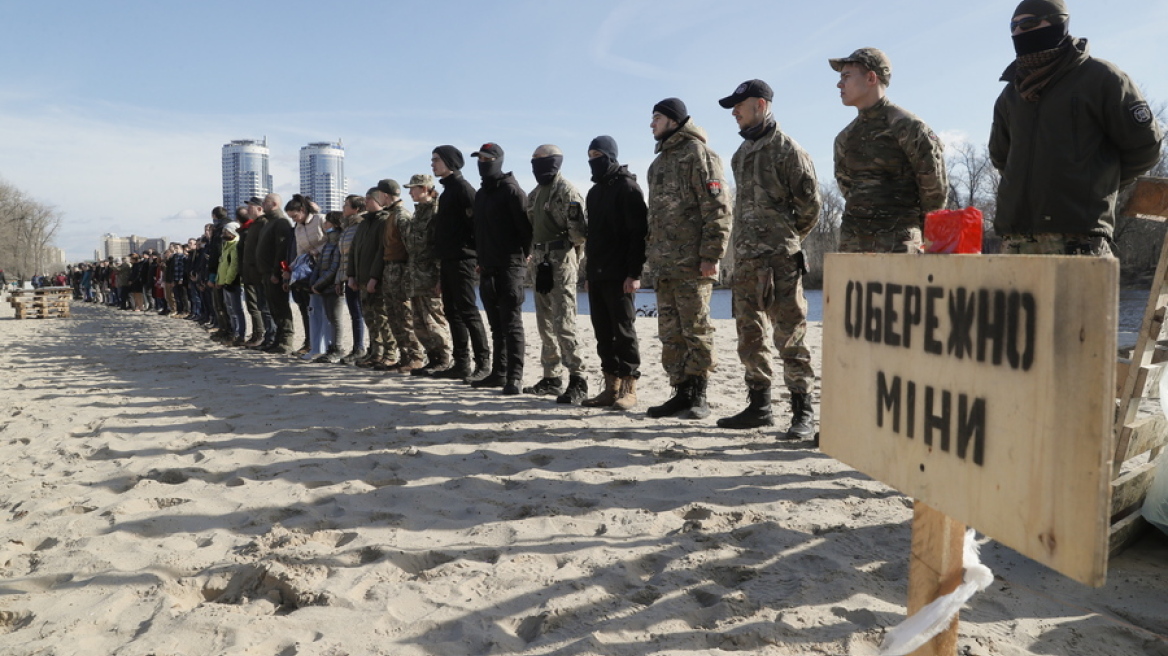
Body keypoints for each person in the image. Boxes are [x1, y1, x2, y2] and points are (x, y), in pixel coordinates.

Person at [991, 0, 1163, 256]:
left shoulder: (1101, 78)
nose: (1018, 32)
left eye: (1028, 24)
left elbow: (1145, 147)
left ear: (1058, 22)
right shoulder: (1011, 94)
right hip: (1016, 237)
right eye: (1013, 26)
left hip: (1079, 238)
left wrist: (1096, 187)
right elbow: (1002, 156)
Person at [714, 79, 821, 440]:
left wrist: (783, 242)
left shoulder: (787, 150)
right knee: (749, 335)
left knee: (790, 335)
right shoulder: (740, 154)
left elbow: (810, 208)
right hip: (745, 261)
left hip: (779, 260)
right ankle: (759, 406)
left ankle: (801, 411)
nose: (734, 112)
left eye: (739, 105)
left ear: (760, 104)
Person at [644, 98, 732, 419]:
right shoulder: (657, 166)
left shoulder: (699, 155)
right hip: (664, 265)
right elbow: (654, 218)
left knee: (696, 328)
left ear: (673, 120)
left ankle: (699, 394)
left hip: (693, 263)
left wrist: (712, 254)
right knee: (670, 331)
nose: (651, 124)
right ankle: (680, 391)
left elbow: (718, 208)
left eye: (656, 118)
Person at [830, 47, 948, 253]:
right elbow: (847, 188)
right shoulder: (845, 137)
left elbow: (934, 192)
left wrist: (925, 239)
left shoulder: (908, 127)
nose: (839, 84)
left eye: (846, 76)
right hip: (853, 246)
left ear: (871, 78)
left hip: (899, 245)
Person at [580, 136, 648, 411]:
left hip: (621, 274)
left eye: (597, 154)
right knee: (602, 332)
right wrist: (587, 273)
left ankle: (630, 386)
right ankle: (611, 386)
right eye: (589, 154)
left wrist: (634, 273)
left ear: (609, 155)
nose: (592, 159)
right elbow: (592, 238)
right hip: (597, 273)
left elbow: (638, 235)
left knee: (623, 331)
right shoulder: (594, 193)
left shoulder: (628, 187)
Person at [524, 144, 589, 404]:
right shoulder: (535, 194)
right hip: (540, 261)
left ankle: (578, 378)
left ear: (553, 162)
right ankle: (551, 376)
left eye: (540, 159)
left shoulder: (567, 191)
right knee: (544, 323)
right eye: (533, 159)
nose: (535, 164)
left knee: (564, 322)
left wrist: (566, 256)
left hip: (561, 259)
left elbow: (578, 233)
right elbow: (531, 225)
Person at [471, 142, 532, 395]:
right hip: (486, 267)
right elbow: (479, 232)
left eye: (486, 159)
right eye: (479, 158)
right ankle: (498, 373)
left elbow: (526, 229)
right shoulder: (481, 194)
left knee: (512, 323)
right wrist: (480, 260)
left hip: (510, 266)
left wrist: (524, 256)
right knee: (495, 325)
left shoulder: (512, 190)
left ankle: (514, 377)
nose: (482, 163)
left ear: (497, 160)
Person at [430, 145, 491, 382]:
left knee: (468, 312)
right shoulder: (446, 193)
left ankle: (483, 364)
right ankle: (462, 363)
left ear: (449, 162)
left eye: (436, 160)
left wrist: (478, 255)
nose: (432, 164)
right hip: (448, 260)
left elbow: (479, 225)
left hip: (464, 260)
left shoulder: (464, 189)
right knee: (452, 312)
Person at [402, 174, 453, 376]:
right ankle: (432, 358)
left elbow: (439, 247)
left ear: (424, 188)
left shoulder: (436, 212)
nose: (410, 192)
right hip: (415, 276)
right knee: (419, 323)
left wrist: (441, 278)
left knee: (434, 321)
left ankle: (444, 359)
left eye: (413, 188)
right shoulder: (418, 213)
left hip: (430, 275)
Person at [377, 178, 426, 373]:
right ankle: (404, 356)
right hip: (390, 269)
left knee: (404, 315)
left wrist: (408, 274)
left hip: (400, 270)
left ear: (385, 195)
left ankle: (415, 356)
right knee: (393, 315)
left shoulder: (401, 216)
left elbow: (410, 247)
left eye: (379, 194)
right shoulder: (390, 215)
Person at [348, 186, 392, 369]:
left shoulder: (385, 221)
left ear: (378, 200)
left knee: (382, 317)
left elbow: (381, 252)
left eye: (368, 199)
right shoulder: (364, 222)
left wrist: (374, 276)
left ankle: (389, 353)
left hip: (376, 280)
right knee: (369, 318)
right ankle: (375, 352)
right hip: (361, 278)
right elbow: (354, 250)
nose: (365, 202)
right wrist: (351, 275)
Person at [255, 193, 296, 354]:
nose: (262, 205)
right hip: (266, 273)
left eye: (265, 202)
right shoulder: (269, 222)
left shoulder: (281, 222)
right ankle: (277, 340)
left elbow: (281, 249)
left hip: (275, 274)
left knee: (280, 307)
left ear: (273, 204)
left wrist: (276, 272)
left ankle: (286, 341)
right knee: (273, 308)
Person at [288, 194, 328, 358]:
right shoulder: (298, 228)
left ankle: (326, 347)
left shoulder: (320, 220)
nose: (294, 220)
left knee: (327, 311)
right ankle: (315, 346)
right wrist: (291, 270)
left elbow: (333, 240)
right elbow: (300, 253)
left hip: (326, 268)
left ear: (303, 210)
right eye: (291, 218)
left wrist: (318, 251)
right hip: (311, 272)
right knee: (313, 309)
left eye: (295, 216)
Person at [310, 211, 346, 363]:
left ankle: (337, 348)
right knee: (330, 317)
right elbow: (320, 265)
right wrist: (315, 282)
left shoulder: (338, 242)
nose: (324, 225)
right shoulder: (328, 243)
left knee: (336, 318)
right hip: (325, 287)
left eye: (327, 222)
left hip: (333, 286)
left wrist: (319, 284)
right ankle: (331, 347)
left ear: (335, 224)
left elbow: (334, 267)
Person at [336, 195, 367, 364]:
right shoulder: (347, 227)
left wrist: (353, 276)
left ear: (356, 209)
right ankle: (357, 347)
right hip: (348, 276)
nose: (343, 208)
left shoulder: (360, 226)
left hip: (357, 277)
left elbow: (357, 255)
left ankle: (360, 348)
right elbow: (343, 258)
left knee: (359, 313)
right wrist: (340, 279)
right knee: (354, 313)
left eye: (346, 205)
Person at [240, 198, 274, 349]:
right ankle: (265, 336)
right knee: (259, 306)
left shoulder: (264, 224)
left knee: (265, 308)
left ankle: (269, 337)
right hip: (251, 274)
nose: (248, 211)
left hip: (261, 273)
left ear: (260, 209)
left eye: (251, 207)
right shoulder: (255, 225)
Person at [216, 221, 247, 345]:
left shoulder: (235, 245)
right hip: (225, 283)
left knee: (237, 310)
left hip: (234, 284)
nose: (224, 234)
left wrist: (228, 281)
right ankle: (234, 333)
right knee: (230, 310)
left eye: (226, 231)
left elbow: (233, 266)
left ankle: (240, 334)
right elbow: (222, 266)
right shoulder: (226, 245)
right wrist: (220, 280)